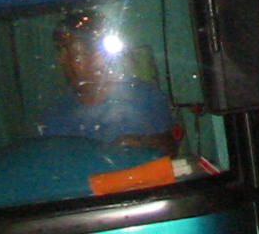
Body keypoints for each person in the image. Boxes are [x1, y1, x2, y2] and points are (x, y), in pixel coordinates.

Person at [35, 10, 176, 155]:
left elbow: (170, 148)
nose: (61, 60)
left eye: (69, 52)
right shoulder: (55, 114)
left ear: (97, 57)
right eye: (60, 52)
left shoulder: (145, 97)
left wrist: (142, 143)